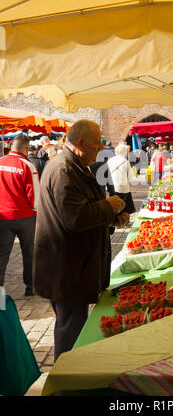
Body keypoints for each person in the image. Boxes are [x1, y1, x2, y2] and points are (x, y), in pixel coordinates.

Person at [33, 120, 128, 361]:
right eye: (97, 143)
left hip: (74, 266)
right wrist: (108, 206)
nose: (100, 148)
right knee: (70, 329)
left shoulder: (76, 166)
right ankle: (66, 380)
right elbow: (75, 218)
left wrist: (111, 219)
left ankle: (71, 372)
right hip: (67, 268)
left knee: (73, 324)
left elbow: (83, 211)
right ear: (82, 143)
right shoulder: (64, 169)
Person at [0, 134, 39, 296]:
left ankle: (0, 289)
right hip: (25, 216)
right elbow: (35, 194)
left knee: (1, 255)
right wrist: (36, 212)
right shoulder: (27, 165)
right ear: (26, 148)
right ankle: (30, 287)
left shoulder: (0, 162)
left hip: (2, 216)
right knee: (29, 253)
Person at [107, 143, 136, 215]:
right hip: (123, 187)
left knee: (114, 205)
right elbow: (130, 177)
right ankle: (123, 219)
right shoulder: (125, 161)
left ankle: (114, 219)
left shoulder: (110, 160)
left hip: (112, 186)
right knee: (123, 205)